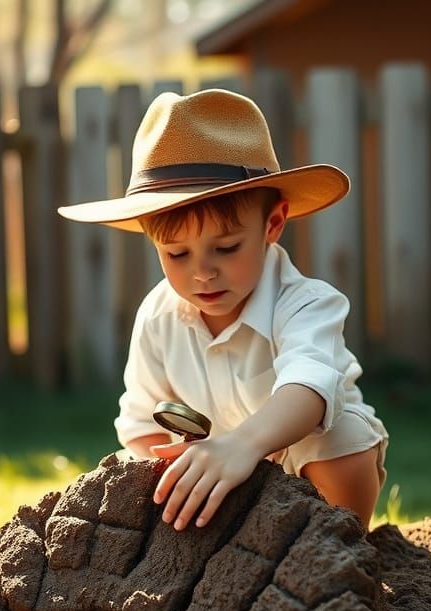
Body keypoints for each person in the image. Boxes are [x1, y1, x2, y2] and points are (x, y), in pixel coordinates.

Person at [58, 89, 388, 531]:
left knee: (342, 435)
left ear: (273, 225)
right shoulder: (158, 316)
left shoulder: (308, 304)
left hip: (299, 479)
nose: (203, 273)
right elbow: (142, 421)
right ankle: (196, 554)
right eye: (177, 254)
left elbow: (309, 387)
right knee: (127, 470)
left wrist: (242, 445)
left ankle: (337, 544)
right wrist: (170, 465)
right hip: (212, 483)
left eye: (227, 247)